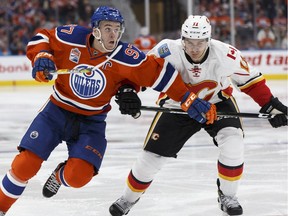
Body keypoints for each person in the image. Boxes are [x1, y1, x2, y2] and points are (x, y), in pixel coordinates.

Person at [0, 7, 218, 216]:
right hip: (56, 112)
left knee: (78, 177)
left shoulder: (127, 56)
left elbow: (162, 75)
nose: (114, 34)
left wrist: (188, 99)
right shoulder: (71, 37)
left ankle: (59, 175)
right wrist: (41, 57)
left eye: (117, 29)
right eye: (108, 28)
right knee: (24, 165)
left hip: (92, 121)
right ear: (95, 29)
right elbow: (42, 37)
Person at [109, 15, 288, 216]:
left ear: (208, 40)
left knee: (233, 142)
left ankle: (228, 195)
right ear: (182, 39)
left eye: (200, 42)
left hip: (217, 103)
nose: (195, 48)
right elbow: (141, 73)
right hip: (177, 106)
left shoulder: (225, 54)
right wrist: (128, 91)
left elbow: (251, 81)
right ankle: (127, 199)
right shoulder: (166, 50)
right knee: (151, 158)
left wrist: (271, 105)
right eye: (190, 42)